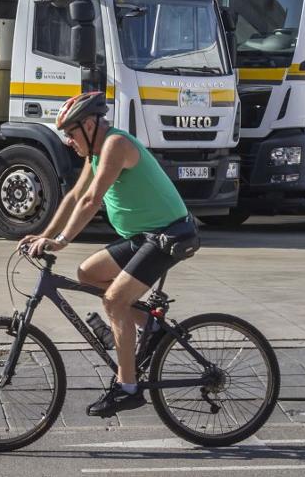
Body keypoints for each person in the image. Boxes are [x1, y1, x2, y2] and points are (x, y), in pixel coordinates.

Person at [18, 91, 200, 417]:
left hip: (169, 235)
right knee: (88, 274)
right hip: (142, 236)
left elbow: (91, 202)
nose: (68, 141)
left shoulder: (115, 145)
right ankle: (152, 328)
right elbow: (76, 196)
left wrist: (61, 241)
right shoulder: (95, 154)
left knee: (114, 301)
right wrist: (45, 235)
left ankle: (127, 387)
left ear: (89, 125)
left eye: (71, 133)